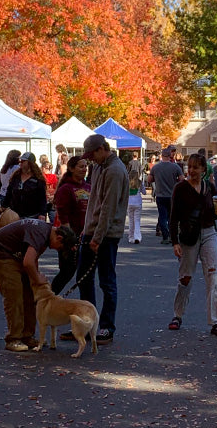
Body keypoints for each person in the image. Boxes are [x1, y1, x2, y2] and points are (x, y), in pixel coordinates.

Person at [64, 134, 129, 344]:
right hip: (93, 230)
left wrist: (98, 236)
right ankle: (85, 324)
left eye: (93, 155)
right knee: (84, 277)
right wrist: (86, 229)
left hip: (107, 234)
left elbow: (108, 209)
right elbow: (94, 202)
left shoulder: (115, 170)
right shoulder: (100, 167)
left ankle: (107, 327)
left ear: (102, 149)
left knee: (106, 281)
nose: (91, 159)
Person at [0, 218, 78, 351]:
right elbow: (28, 262)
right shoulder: (40, 233)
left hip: (17, 255)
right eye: (60, 248)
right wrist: (37, 279)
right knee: (15, 296)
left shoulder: (46, 236)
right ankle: (13, 339)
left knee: (30, 295)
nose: (57, 250)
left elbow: (32, 259)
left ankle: (27, 336)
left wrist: (35, 278)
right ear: (59, 238)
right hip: (2, 254)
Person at [167, 153, 217, 337]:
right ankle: (177, 315)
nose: (191, 171)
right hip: (188, 235)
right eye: (189, 167)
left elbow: (214, 214)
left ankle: (215, 322)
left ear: (203, 169)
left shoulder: (209, 187)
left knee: (214, 276)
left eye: (195, 167)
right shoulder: (181, 188)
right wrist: (175, 241)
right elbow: (173, 216)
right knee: (186, 277)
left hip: (209, 232)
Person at [51, 155, 90, 294]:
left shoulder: (88, 187)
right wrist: (70, 240)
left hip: (85, 236)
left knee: (85, 275)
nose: (84, 169)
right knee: (67, 272)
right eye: (81, 166)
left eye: (86, 166)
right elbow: (63, 216)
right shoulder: (66, 189)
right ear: (72, 169)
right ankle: (47, 298)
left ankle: (86, 306)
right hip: (69, 238)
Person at [148, 148, 183, 244]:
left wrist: (157, 179)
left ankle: (165, 236)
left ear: (162, 156)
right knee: (172, 217)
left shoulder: (155, 167)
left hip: (160, 195)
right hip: (172, 195)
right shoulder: (175, 167)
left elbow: (149, 179)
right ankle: (172, 236)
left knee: (162, 216)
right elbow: (182, 179)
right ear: (170, 156)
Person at [2, 152, 47, 220]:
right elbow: (9, 193)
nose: (20, 162)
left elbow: (42, 198)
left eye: (23, 161)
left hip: (32, 215)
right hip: (15, 215)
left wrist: (42, 213)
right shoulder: (16, 177)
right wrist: (4, 206)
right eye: (20, 161)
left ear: (30, 163)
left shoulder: (38, 179)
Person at [126, 169, 146, 244]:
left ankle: (131, 237)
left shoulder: (127, 183)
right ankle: (137, 237)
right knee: (137, 221)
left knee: (131, 221)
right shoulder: (139, 183)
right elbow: (144, 192)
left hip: (129, 203)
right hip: (138, 203)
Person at [41, 159, 59, 224]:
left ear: (43, 167)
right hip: (52, 198)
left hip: (44, 200)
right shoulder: (54, 176)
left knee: (42, 221)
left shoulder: (41, 176)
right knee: (53, 220)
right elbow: (56, 188)